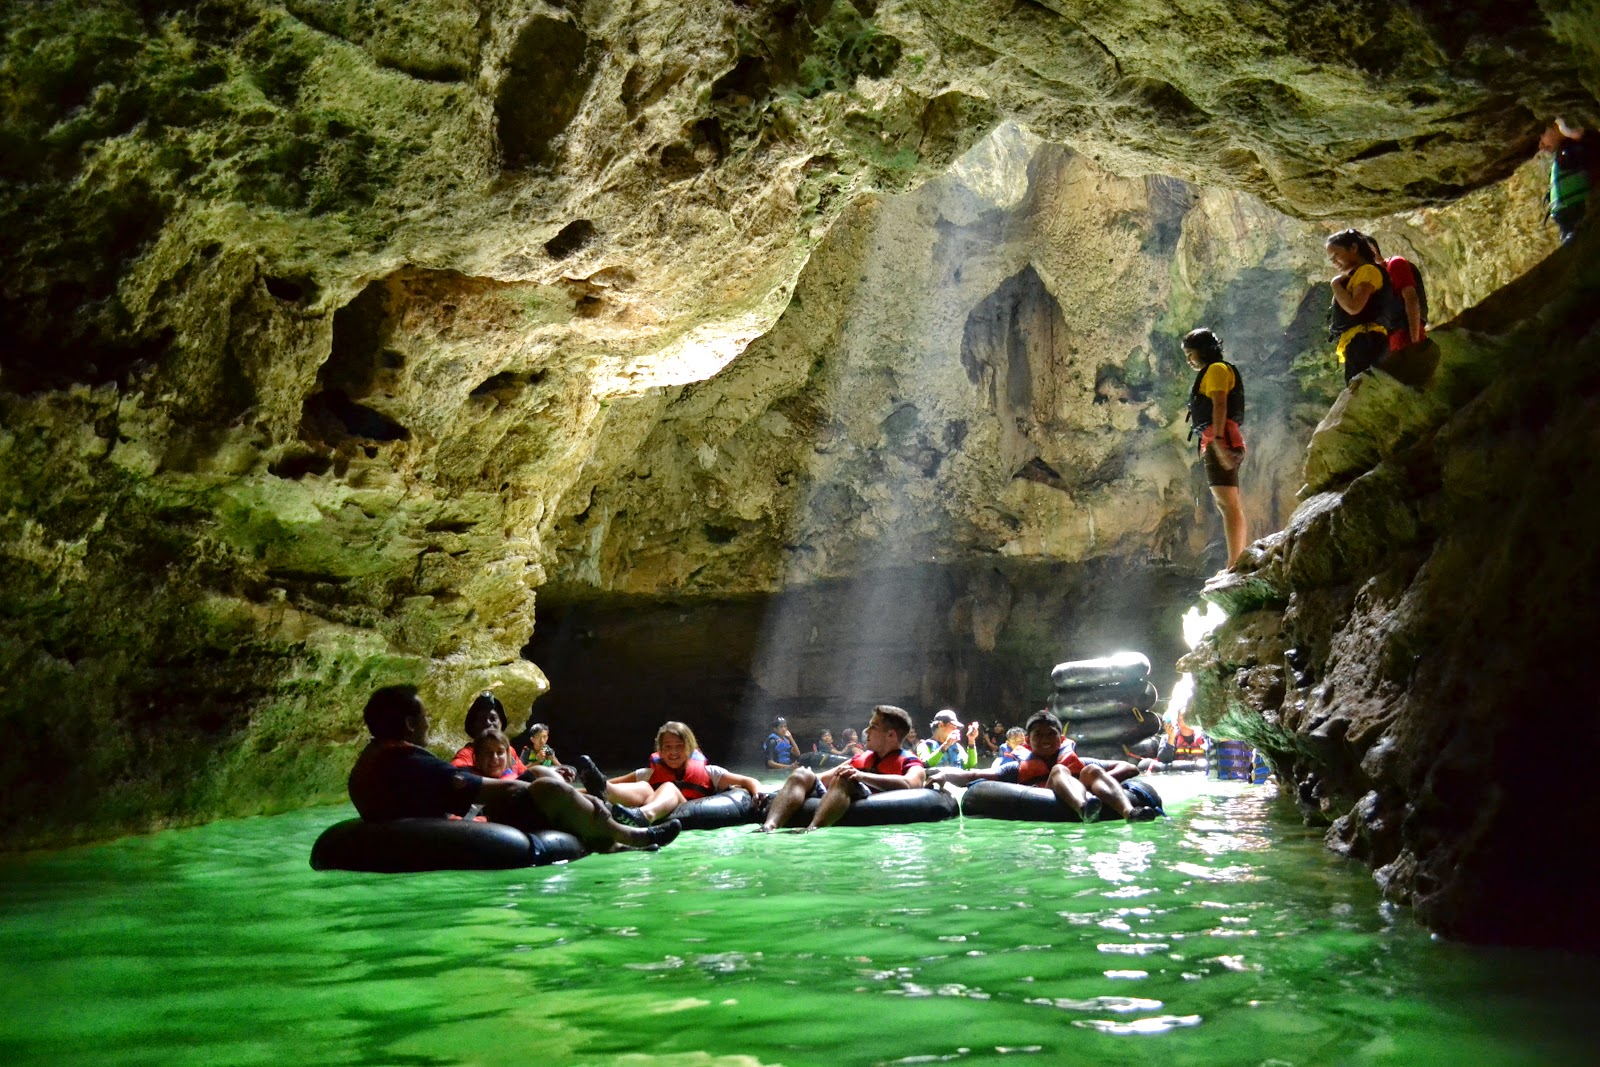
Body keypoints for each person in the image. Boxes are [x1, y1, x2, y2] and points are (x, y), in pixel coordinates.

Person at [347, 685, 681, 851]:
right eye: (424, 717)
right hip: (454, 828)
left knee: (538, 775)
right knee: (544, 786)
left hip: (443, 818)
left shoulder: (378, 756)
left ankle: (605, 814)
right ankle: (626, 835)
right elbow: (483, 787)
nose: (428, 722)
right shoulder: (405, 760)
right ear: (408, 724)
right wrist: (541, 789)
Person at [928, 710, 1159, 822]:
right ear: (1028, 740)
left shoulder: (1079, 762)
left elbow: (1129, 768)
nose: (1046, 739)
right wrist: (943, 775)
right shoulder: (1015, 769)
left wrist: (1084, 784)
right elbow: (975, 774)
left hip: (1087, 792)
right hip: (1043, 799)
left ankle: (1130, 812)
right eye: (1039, 735)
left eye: (1052, 734)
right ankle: (1084, 808)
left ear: (1061, 737)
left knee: (1091, 771)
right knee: (1059, 770)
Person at [757, 705, 927, 832]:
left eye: (873, 727)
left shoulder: (909, 761)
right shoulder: (861, 758)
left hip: (870, 800)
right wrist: (770, 795)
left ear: (891, 735)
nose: (866, 731)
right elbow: (822, 778)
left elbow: (911, 783)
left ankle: (812, 829)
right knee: (803, 773)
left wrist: (861, 776)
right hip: (834, 796)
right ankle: (768, 827)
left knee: (846, 778)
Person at [582, 722, 761, 825]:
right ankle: (607, 793)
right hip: (650, 806)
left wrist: (759, 795)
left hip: (687, 812)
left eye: (679, 746)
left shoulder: (710, 772)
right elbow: (614, 783)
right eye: (667, 747)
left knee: (669, 786)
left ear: (690, 747)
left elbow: (747, 780)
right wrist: (572, 790)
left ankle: (645, 815)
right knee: (643, 786)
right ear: (659, 750)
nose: (673, 752)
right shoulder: (649, 773)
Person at [1182, 328, 1248, 569]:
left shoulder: (1217, 370)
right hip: (1215, 438)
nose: (1189, 360)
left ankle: (1235, 562)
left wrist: (1218, 441)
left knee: (1227, 502)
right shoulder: (1213, 371)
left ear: (1203, 351)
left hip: (1219, 438)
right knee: (1226, 502)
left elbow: (1220, 404)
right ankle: (1235, 560)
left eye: (1191, 354)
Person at [1326, 229, 1394, 383]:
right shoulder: (1358, 275)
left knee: (1363, 391)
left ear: (1354, 248)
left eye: (1336, 255)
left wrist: (1335, 285)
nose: (1333, 261)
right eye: (1331, 258)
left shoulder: (1368, 270)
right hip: (1361, 341)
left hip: (1366, 341)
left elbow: (1354, 307)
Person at [1363, 235, 1426, 351]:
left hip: (1405, 336)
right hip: (1391, 343)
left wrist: (1415, 341)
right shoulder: (1374, 281)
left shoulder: (1395, 264)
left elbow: (1411, 300)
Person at [450, 692, 527, 777]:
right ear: (473, 727)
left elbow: (525, 774)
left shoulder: (509, 750)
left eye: (493, 718)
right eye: (481, 719)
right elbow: (453, 773)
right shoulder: (467, 754)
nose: (487, 723)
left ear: (501, 723)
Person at [1541, 118, 1590, 244]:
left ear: (1552, 127)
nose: (1541, 146)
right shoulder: (1563, 151)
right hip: (1566, 218)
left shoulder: (1571, 147)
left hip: (1577, 211)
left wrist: (1564, 128)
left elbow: (1581, 137)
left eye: (1541, 138)